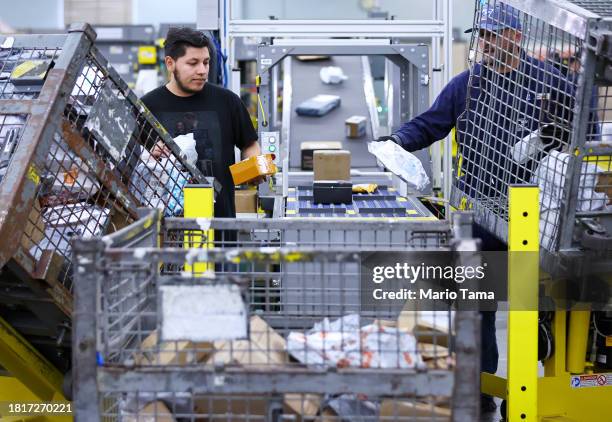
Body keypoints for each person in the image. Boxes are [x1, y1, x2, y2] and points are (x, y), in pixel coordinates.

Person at [375, 3, 575, 413]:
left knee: (530, 309)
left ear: (515, 37)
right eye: (480, 35)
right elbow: (429, 125)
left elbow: (581, 130)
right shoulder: (467, 85)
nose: (483, 43)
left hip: (534, 216)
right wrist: (394, 142)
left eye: (492, 34)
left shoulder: (551, 82)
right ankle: (482, 392)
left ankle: (521, 395)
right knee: (477, 309)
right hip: (478, 213)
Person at [141, 27, 262, 220]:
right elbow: (133, 165)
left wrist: (255, 166)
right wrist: (149, 156)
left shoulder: (227, 101)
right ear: (170, 64)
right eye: (193, 63)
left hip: (220, 222)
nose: (202, 71)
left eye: (206, 63)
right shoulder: (147, 107)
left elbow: (250, 144)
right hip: (167, 227)